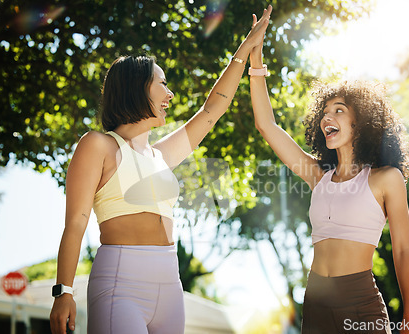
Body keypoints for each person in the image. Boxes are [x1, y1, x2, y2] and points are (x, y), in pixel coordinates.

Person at [49, 5, 272, 334]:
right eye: (162, 84)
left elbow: (212, 110)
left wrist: (248, 50)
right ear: (137, 87)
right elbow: (76, 223)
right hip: (120, 283)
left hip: (170, 284)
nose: (169, 94)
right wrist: (63, 291)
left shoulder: (159, 156)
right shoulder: (98, 145)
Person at [249, 38, 409, 333]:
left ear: (361, 122)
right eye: (325, 112)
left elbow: (403, 250)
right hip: (315, 302)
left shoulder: (385, 179)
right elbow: (267, 125)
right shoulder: (318, 176)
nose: (328, 117)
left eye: (339, 110)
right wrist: (255, 63)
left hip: (359, 303)